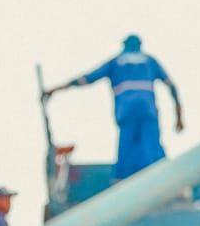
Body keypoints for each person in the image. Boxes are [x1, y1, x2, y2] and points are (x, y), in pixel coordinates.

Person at [44, 34, 183, 180]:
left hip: (126, 110)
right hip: (147, 110)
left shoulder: (116, 62)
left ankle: (122, 180)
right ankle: (162, 178)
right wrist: (179, 116)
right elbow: (171, 86)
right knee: (151, 147)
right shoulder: (150, 61)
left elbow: (87, 78)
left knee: (127, 148)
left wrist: (55, 89)